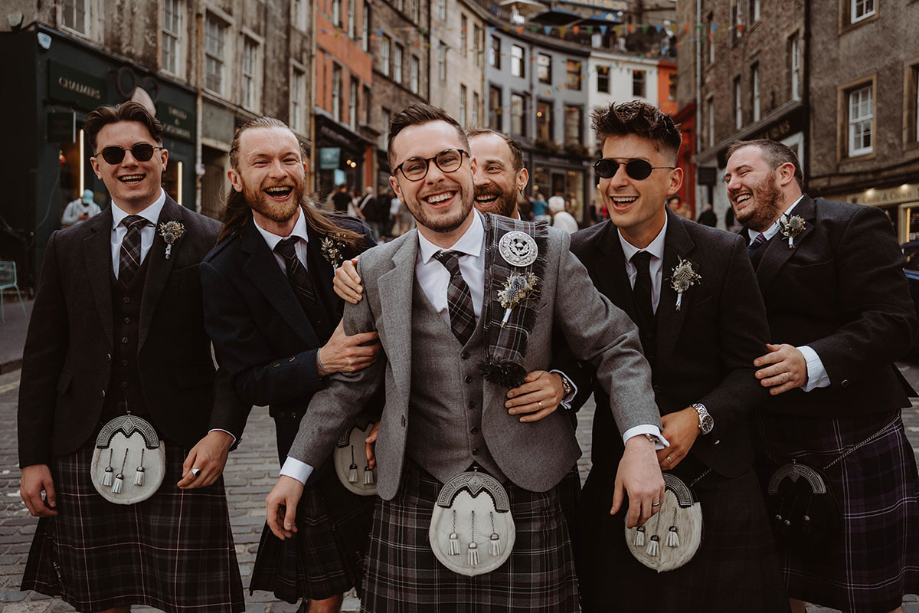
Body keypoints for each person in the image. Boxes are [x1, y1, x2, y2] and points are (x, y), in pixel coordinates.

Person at [265, 104, 666, 612]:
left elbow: (615, 346)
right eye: (415, 166)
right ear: (397, 185)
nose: (433, 177)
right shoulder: (373, 271)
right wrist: (293, 472)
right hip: (414, 492)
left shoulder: (546, 251)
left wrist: (640, 441)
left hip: (529, 487)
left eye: (447, 159)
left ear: (471, 167)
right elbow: (348, 385)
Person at [18, 101, 248, 613]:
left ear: (163, 158)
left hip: (183, 443)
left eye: (142, 150)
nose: (130, 161)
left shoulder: (212, 239)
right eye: (114, 153)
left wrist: (221, 433)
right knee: (100, 596)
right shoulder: (67, 244)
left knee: (196, 599)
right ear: (95, 166)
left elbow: (236, 357)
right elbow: (42, 359)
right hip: (82, 442)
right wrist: (33, 457)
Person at [571, 100, 788, 612]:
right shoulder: (577, 254)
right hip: (619, 475)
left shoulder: (721, 252)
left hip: (716, 473)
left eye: (637, 168)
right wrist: (561, 382)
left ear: (674, 180)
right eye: (608, 167)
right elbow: (575, 360)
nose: (617, 181)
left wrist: (699, 416)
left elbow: (752, 370)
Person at [333, 126, 594, 527]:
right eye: (418, 167)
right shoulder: (382, 267)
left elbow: (600, 341)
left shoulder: (553, 247)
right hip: (426, 474)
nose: (484, 179)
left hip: (532, 464)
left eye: (494, 167)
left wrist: (565, 381)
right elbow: (370, 365)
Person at [724, 139, 919, 613]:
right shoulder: (731, 249)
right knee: (775, 584)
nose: (732, 185)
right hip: (766, 439)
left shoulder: (848, 224)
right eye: (727, 177)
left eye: (743, 172)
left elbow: (894, 322)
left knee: (870, 594)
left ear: (785, 173)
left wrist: (811, 360)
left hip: (849, 435)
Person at [199, 117, 380, 613]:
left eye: (288, 159)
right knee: (323, 598)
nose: (278, 172)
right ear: (236, 178)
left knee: (394, 584)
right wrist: (320, 362)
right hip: (305, 441)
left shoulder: (352, 236)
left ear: (304, 168)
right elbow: (246, 379)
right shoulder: (223, 269)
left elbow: (400, 337)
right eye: (261, 162)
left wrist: (389, 414)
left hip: (380, 436)